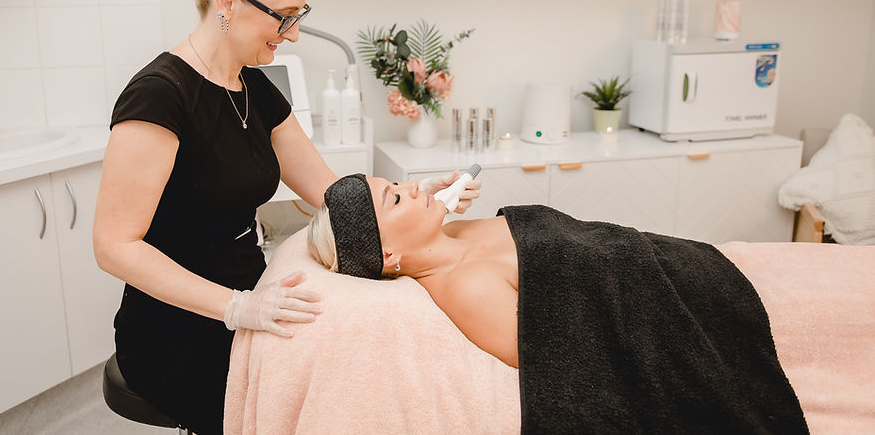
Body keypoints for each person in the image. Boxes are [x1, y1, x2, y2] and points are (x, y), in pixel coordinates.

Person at [93, 0, 478, 435]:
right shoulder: (159, 98)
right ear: (226, 2)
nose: (293, 34)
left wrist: (415, 197)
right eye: (284, 17)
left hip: (254, 293)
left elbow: (329, 190)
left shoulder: (255, 88)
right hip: (178, 328)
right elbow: (114, 246)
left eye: (300, 16)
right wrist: (235, 308)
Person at [308, 174, 809, 434]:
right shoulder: (465, 289)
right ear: (389, 255)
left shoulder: (453, 231)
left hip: (682, 261)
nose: (414, 187)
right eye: (395, 198)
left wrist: (430, 201)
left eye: (397, 184)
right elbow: (571, 352)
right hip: (673, 298)